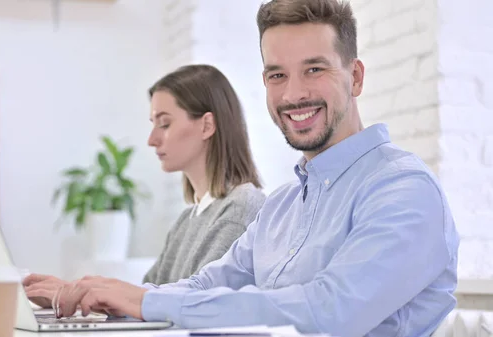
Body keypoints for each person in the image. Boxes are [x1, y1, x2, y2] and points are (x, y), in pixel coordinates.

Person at [27, 0, 460, 336]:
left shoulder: (403, 190)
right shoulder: (283, 205)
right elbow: (205, 285)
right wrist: (104, 295)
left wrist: (144, 303)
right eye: (276, 76)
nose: (294, 94)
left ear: (356, 77)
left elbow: (329, 313)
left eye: (315, 69)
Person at [24, 65, 266, 307]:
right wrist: (76, 296)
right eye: (154, 124)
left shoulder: (240, 208)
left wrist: (83, 295)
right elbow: (144, 302)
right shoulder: (187, 220)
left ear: (206, 126)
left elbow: (198, 306)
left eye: (165, 124)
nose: (152, 140)